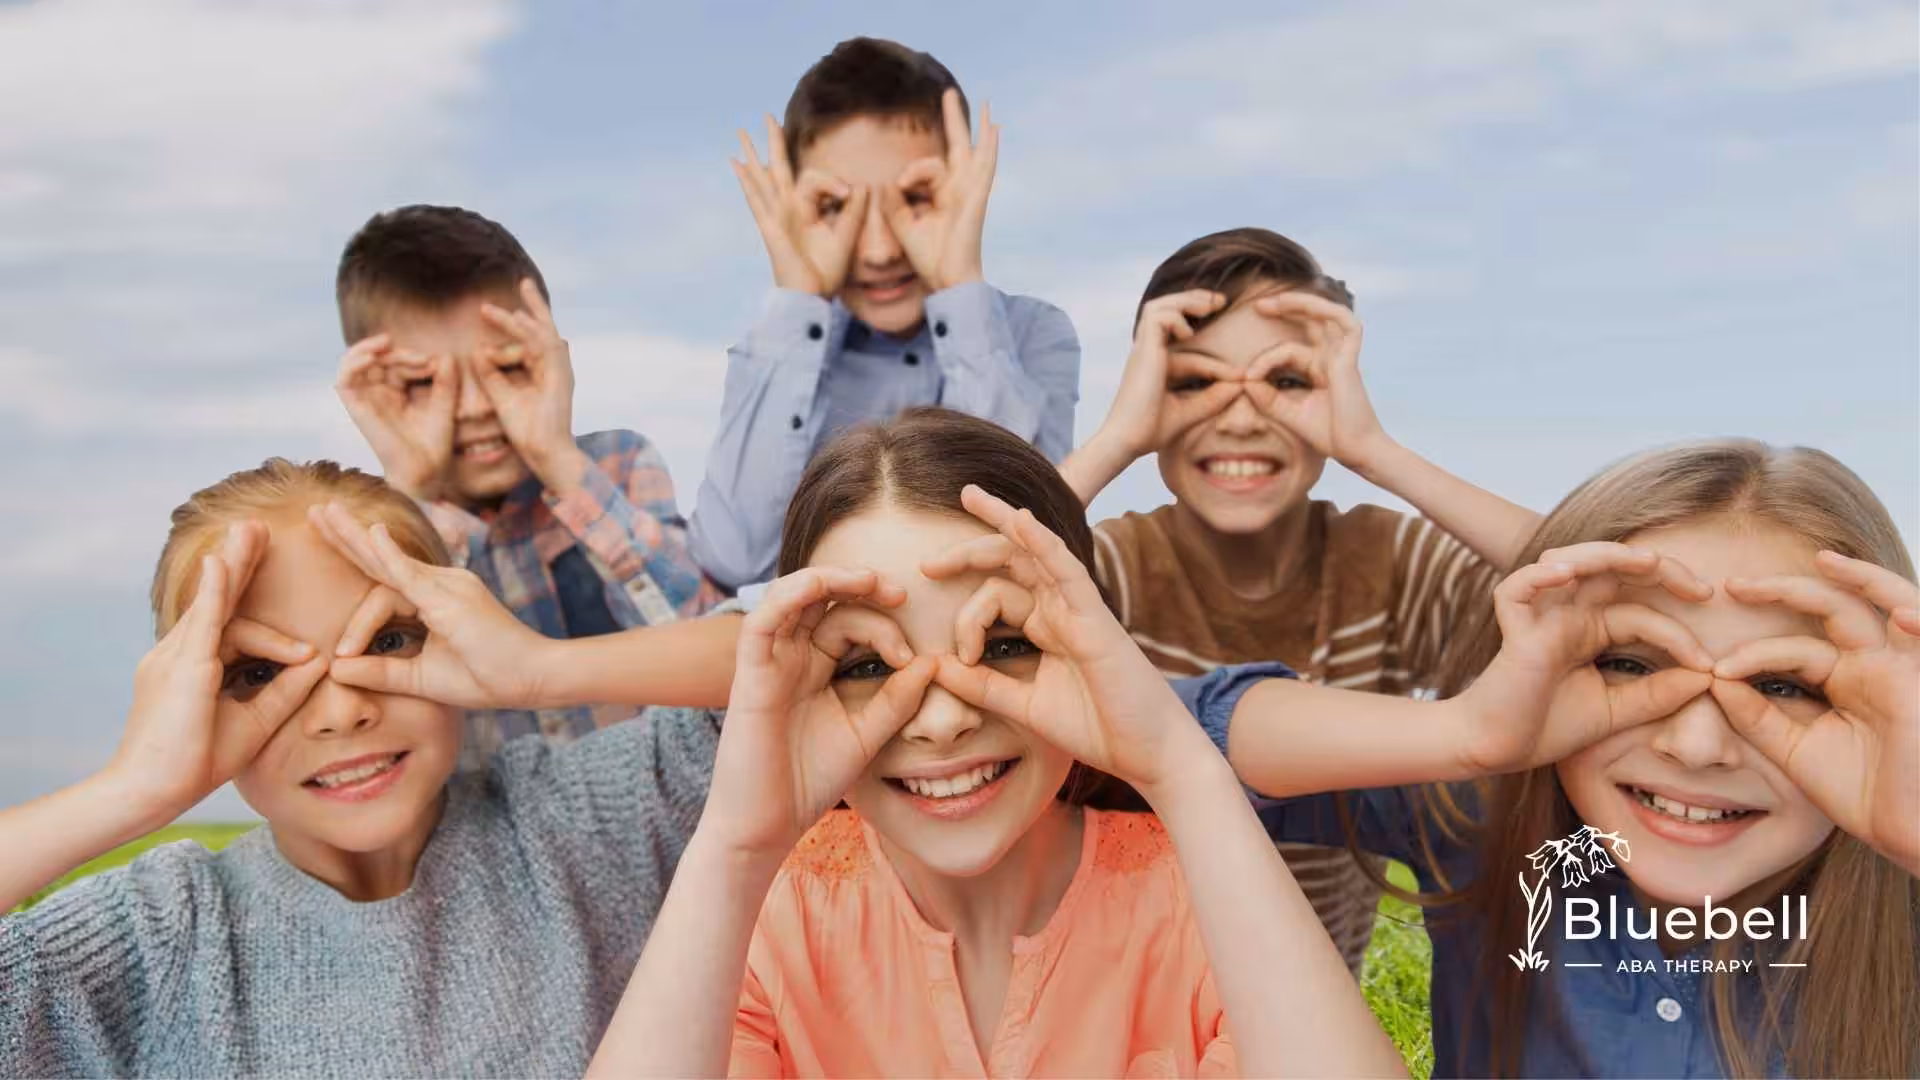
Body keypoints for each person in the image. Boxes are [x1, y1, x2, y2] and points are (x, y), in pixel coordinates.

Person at [590, 408, 1407, 1078]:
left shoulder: (1196, 894)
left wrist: (1181, 766)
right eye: (868, 662)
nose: (942, 719)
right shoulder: (771, 911)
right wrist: (735, 847)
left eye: (1006, 641)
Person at [1178, 440, 1920, 1077]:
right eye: (1630, 663)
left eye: (1784, 685)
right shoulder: (1487, 810)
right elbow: (1143, 736)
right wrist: (1462, 734)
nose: (1695, 746)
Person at [0, 459, 731, 1077]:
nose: (339, 713)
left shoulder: (579, 823)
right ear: (186, 702)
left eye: (386, 641)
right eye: (257, 673)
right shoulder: (164, 938)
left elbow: (821, 659)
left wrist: (541, 669)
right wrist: (129, 792)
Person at [1058, 226, 1544, 973]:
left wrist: (1373, 449)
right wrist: (1117, 437)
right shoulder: (1112, 567)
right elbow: (952, 583)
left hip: (1311, 1001)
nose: (1242, 416)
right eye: (1193, 382)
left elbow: (1613, 581)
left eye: (1285, 381)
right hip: (1126, 990)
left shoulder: (1387, 562)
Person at [334, 204, 721, 767]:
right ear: (370, 391)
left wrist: (557, 458)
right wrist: (410, 492)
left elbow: (716, 642)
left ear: (553, 359)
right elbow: (366, 698)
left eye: (509, 369)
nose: (474, 408)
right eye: (423, 382)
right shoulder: (360, 530)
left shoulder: (616, 464)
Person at [691, 37, 1082, 591]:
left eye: (916, 197)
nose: (878, 249)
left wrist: (957, 283)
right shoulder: (782, 351)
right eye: (835, 206)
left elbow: (1023, 542)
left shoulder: (1035, 332)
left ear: (967, 186)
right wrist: (797, 295)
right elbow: (734, 558)